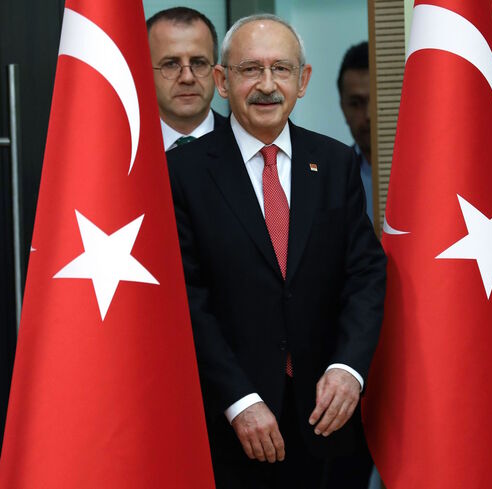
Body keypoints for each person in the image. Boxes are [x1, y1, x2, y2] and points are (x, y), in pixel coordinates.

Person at [167, 14, 386, 488]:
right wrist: (239, 399)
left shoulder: (334, 163)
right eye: (250, 70)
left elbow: (366, 274)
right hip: (228, 426)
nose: (267, 85)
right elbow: (186, 300)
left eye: (281, 69)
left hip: (325, 421)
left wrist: (349, 369)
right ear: (223, 82)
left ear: (302, 81)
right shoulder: (181, 173)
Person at [147, 7, 227, 150]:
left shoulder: (244, 144)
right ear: (145, 73)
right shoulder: (120, 149)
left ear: (216, 73)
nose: (187, 77)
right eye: (171, 64)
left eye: (198, 63)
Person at [338, 41, 374, 222]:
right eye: (356, 104)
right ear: (343, 108)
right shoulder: (334, 175)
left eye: (376, 102)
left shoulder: (423, 172)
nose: (368, 115)